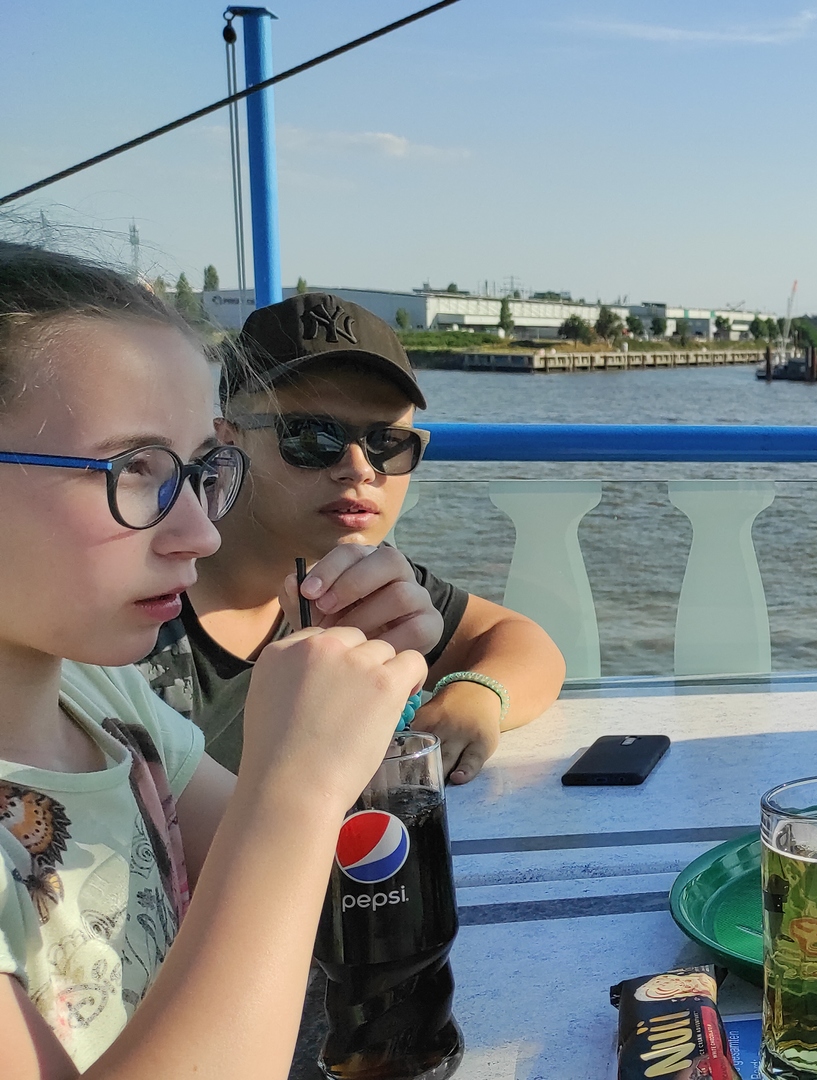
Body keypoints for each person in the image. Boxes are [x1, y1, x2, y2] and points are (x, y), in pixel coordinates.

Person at [0, 242, 422, 1076]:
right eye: (134, 468)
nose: (199, 531)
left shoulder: (103, 702)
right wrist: (295, 788)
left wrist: (350, 698)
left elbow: (307, 891)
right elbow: (278, 837)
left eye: (199, 471)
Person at [138, 292, 564, 784]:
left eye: (387, 441)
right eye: (310, 436)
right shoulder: (141, 606)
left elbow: (523, 642)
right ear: (228, 440)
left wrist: (475, 696)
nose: (359, 468)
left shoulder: (351, 576)